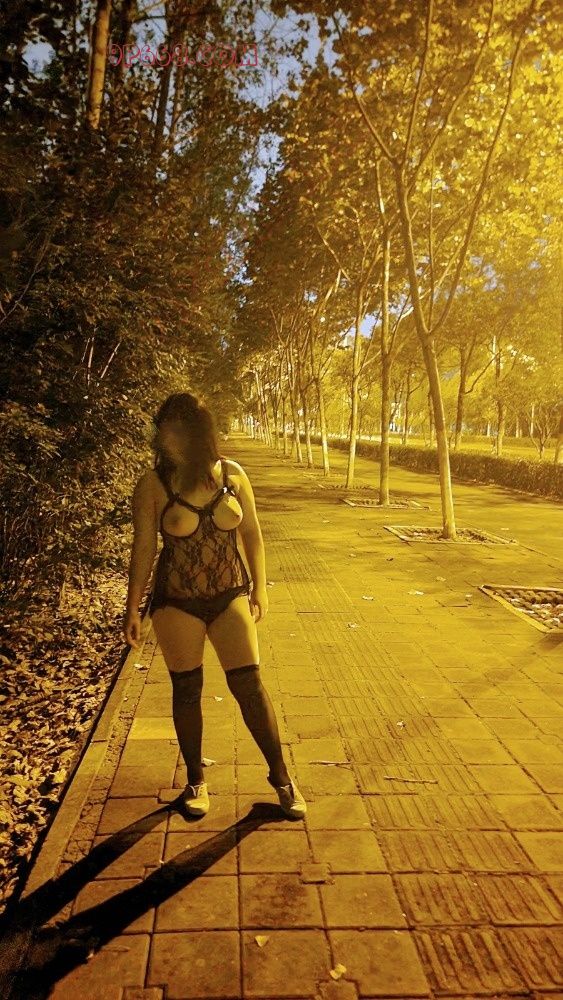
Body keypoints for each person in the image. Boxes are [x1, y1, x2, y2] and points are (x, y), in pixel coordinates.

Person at [123, 391, 306, 820]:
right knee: (187, 690)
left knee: (250, 687)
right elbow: (144, 550)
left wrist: (260, 588)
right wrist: (133, 608)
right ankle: (195, 781)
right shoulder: (153, 485)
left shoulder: (233, 476)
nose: (165, 437)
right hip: (177, 601)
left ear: (196, 433)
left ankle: (282, 779)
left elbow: (253, 534)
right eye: (163, 429)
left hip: (230, 594)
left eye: (174, 429)